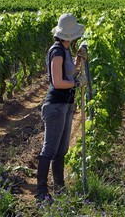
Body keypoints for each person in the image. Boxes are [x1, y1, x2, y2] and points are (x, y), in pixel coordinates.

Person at [36, 13, 88, 202]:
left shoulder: (65, 50)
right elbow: (58, 82)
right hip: (56, 105)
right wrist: (76, 84)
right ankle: (41, 193)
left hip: (66, 104)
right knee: (49, 150)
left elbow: (71, 72)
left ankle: (59, 188)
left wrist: (79, 59)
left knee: (61, 150)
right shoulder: (57, 51)